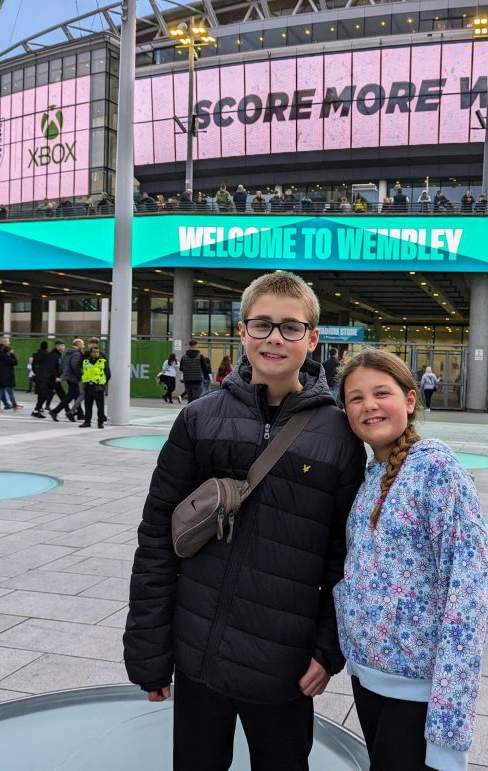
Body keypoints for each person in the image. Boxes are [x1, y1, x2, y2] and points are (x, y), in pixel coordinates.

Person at [124, 271, 366, 770]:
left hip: (284, 666)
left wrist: (328, 650)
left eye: (291, 327)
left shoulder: (339, 436)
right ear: (242, 331)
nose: (275, 337)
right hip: (199, 655)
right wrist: (150, 650)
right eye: (262, 324)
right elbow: (157, 537)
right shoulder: (199, 419)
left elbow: (346, 559)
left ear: (312, 338)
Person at [334, 349, 488, 771]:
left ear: (409, 399)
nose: (369, 405)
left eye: (381, 393)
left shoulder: (437, 469)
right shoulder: (370, 475)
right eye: (355, 398)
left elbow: (468, 596)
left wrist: (447, 731)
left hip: (417, 691)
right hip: (367, 677)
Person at [49, 338, 84, 421]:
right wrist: (79, 375)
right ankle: (56, 411)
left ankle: (80, 413)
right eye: (82, 344)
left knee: (75, 395)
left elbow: (63, 364)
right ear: (78, 344)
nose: (83, 346)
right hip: (73, 377)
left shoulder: (67, 352)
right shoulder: (76, 353)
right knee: (71, 396)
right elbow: (75, 366)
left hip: (68, 377)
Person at [79, 344, 110, 429]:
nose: (96, 353)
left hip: (98, 387)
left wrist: (103, 384)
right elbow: (82, 371)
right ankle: (87, 422)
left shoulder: (102, 362)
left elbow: (108, 374)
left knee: (100, 406)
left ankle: (100, 422)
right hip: (88, 386)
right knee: (88, 405)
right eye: (94, 352)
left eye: (97, 352)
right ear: (90, 353)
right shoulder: (85, 362)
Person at [31, 341, 62, 418]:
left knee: (41, 394)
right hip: (46, 377)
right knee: (45, 393)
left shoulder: (36, 355)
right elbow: (51, 367)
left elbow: (33, 367)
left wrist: (37, 373)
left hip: (39, 377)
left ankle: (38, 409)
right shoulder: (48, 355)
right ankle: (37, 410)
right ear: (47, 347)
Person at [0, 342, 22, 411]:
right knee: (10, 392)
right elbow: (15, 362)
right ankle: (14, 405)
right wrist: (12, 354)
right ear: (8, 351)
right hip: (8, 377)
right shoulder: (7, 357)